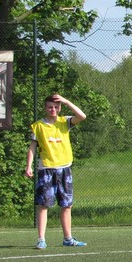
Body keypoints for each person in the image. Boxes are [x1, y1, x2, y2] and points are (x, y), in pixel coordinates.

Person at [25, 94, 88, 249]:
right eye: (50, 107)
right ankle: (41, 239)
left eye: (56, 107)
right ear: (45, 108)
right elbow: (32, 147)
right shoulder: (38, 126)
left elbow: (82, 116)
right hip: (46, 169)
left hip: (64, 169)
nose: (53, 109)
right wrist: (28, 166)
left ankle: (68, 238)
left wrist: (66, 101)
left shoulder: (65, 121)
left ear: (59, 108)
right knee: (43, 204)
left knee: (66, 205)